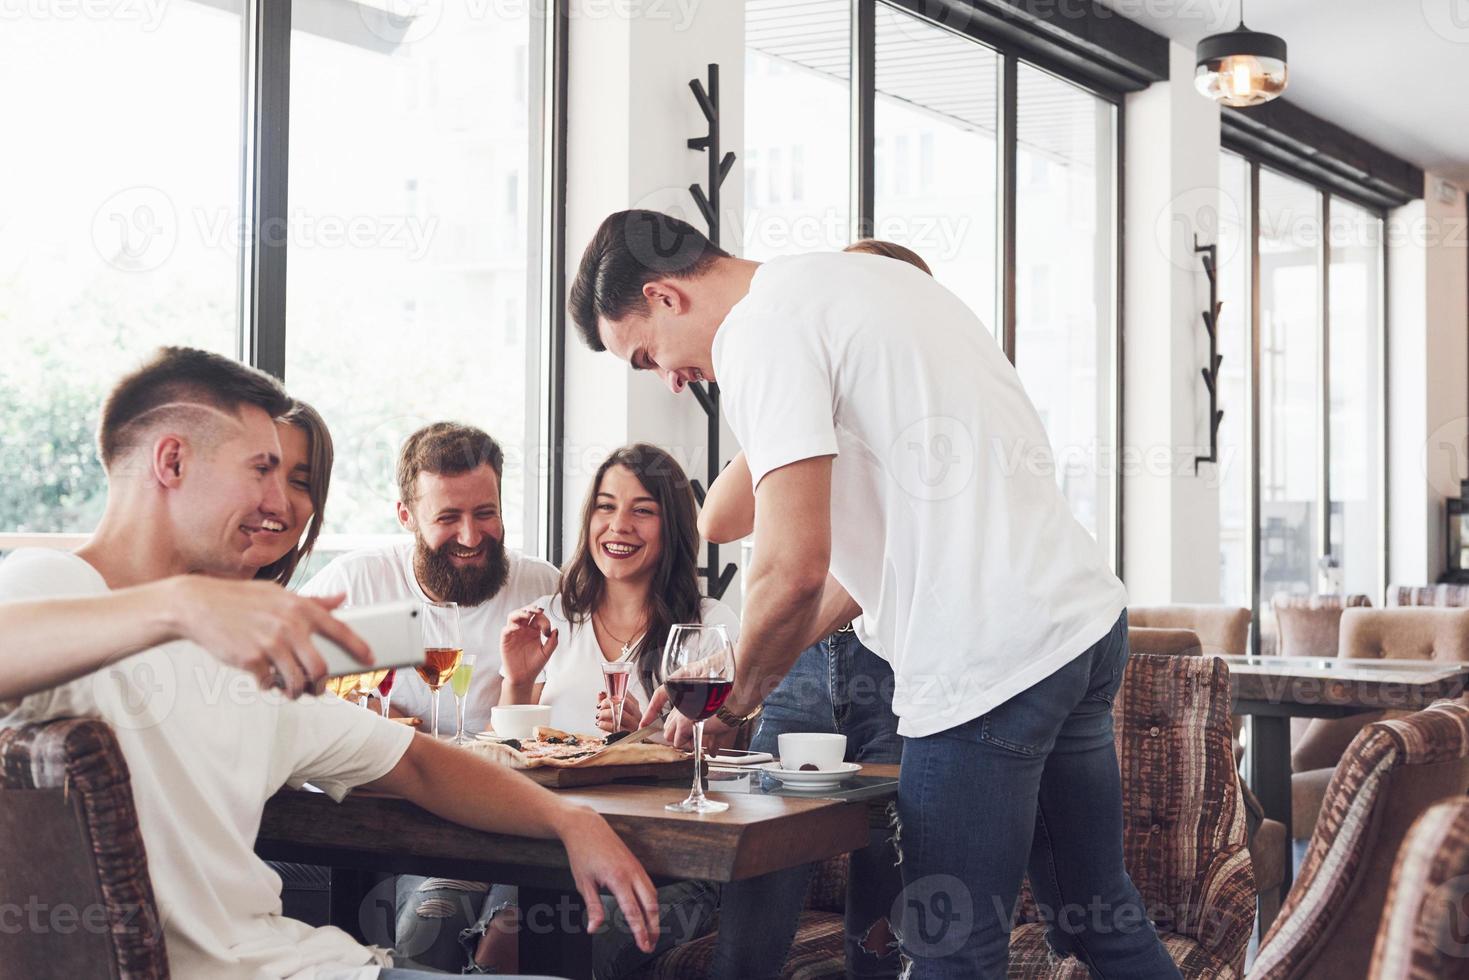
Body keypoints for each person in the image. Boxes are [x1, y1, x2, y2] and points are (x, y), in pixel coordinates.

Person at [569, 211, 1181, 979]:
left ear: (663, 296)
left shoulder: (763, 329)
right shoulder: (869, 282)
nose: (668, 375)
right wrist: (745, 688)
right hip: (1080, 630)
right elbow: (861, 572)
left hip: (982, 666)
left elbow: (789, 566)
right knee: (1098, 912)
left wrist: (733, 705)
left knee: (949, 947)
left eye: (646, 355)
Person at [0, 346, 660, 980]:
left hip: (303, 962)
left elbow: (420, 764)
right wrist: (177, 605)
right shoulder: (53, 584)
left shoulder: (243, 651)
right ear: (171, 461)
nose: (282, 506)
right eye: (259, 470)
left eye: (293, 480)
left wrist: (568, 819)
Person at [698, 239, 927, 980]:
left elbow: (869, 574)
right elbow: (717, 518)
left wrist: (775, 648)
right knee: (767, 848)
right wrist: (796, 391)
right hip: (800, 667)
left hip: (886, 662)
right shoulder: (806, 395)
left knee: (889, 863)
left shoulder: (921, 423)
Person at [423, 443, 730, 976]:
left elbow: (729, 759)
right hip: (550, 846)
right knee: (476, 937)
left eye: (643, 510)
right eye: (606, 507)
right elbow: (516, 751)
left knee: (558, 941)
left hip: (671, 857)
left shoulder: (708, 628)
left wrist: (650, 740)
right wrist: (517, 679)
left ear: (673, 525)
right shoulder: (553, 617)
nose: (619, 526)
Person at [300, 421, 561, 731]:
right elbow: (291, 686)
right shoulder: (358, 584)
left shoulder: (543, 588)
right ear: (405, 516)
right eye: (448, 517)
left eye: (485, 513)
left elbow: (539, 730)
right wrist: (370, 708)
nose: (470, 537)